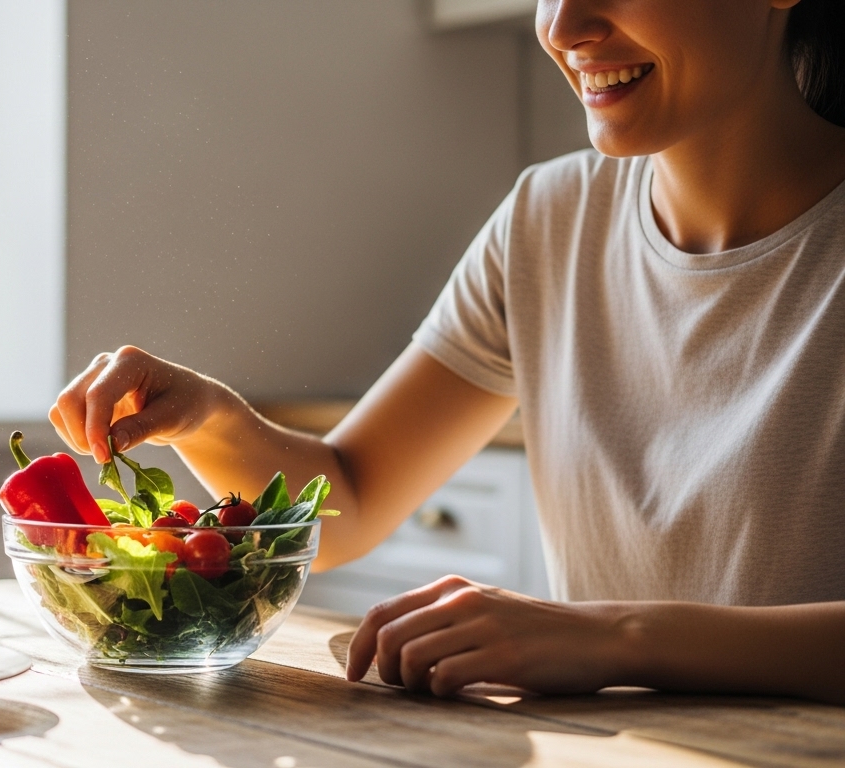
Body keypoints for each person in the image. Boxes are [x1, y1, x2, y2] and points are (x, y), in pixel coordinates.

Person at [48, 0, 845, 703]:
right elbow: (351, 499)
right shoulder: (547, 219)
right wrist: (207, 417)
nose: (564, 27)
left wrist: (616, 638)